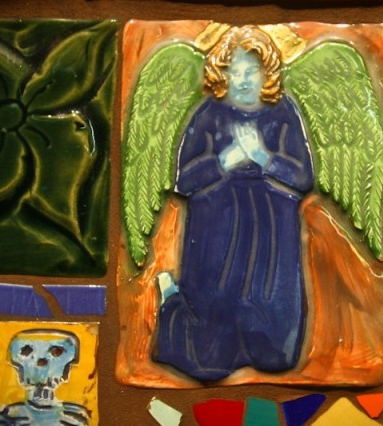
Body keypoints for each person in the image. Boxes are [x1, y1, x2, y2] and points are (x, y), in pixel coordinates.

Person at [152, 26, 314, 382]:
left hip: (271, 236)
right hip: (218, 233)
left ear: (267, 73)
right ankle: (172, 304)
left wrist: (262, 156)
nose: (243, 80)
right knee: (210, 359)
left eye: (251, 71)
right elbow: (184, 181)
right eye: (234, 71)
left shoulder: (283, 111)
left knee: (277, 355)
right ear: (220, 75)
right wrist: (225, 160)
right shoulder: (209, 114)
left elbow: (303, 177)